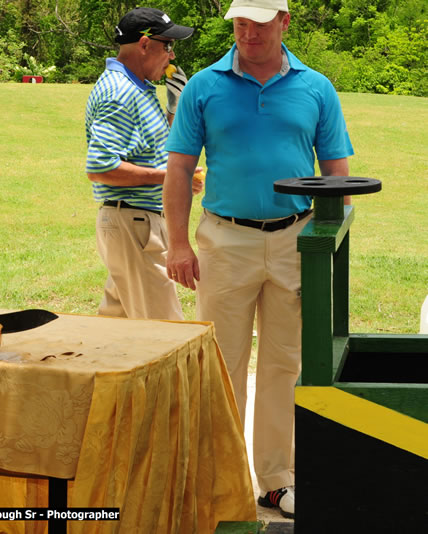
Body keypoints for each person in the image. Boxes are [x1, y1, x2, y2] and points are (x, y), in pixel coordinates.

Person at [163, 0, 354, 520]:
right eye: (240, 23)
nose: (248, 32)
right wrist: (178, 243)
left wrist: (327, 245)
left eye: (259, 22)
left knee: (283, 364)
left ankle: (275, 480)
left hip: (296, 241)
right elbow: (178, 169)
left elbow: (338, 177)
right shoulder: (204, 85)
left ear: (284, 22)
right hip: (225, 242)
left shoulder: (317, 87)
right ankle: (220, 480)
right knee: (221, 365)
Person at [84, 7, 202, 320]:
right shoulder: (119, 94)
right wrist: (169, 179)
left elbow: (153, 146)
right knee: (165, 336)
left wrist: (177, 107)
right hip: (136, 227)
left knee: (117, 337)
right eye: (167, 46)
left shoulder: (138, 88)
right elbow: (100, 168)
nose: (172, 56)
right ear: (145, 45)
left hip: (135, 227)